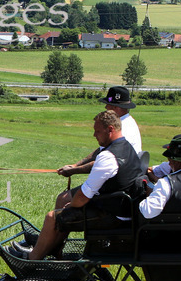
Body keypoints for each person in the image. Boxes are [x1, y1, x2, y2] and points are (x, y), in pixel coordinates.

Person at [11, 111, 145, 260]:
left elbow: (82, 197)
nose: (94, 135)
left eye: (97, 131)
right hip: (123, 209)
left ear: (111, 129)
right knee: (62, 211)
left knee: (52, 217)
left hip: (113, 216)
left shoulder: (109, 157)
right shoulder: (127, 147)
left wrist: (72, 206)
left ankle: (32, 260)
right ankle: (52, 250)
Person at [53, 86, 142, 206]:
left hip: (116, 186)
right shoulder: (123, 124)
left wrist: (73, 170)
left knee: (63, 199)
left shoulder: (123, 129)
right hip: (116, 180)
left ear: (116, 108)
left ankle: (60, 222)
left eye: (108, 105)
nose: (105, 107)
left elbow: (104, 161)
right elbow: (100, 151)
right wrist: (75, 165)